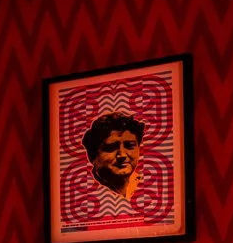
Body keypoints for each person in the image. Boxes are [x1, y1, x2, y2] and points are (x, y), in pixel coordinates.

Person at [57, 88, 174, 231]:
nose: (122, 155)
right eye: (111, 147)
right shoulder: (82, 200)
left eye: (130, 146)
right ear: (93, 155)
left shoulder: (150, 187)